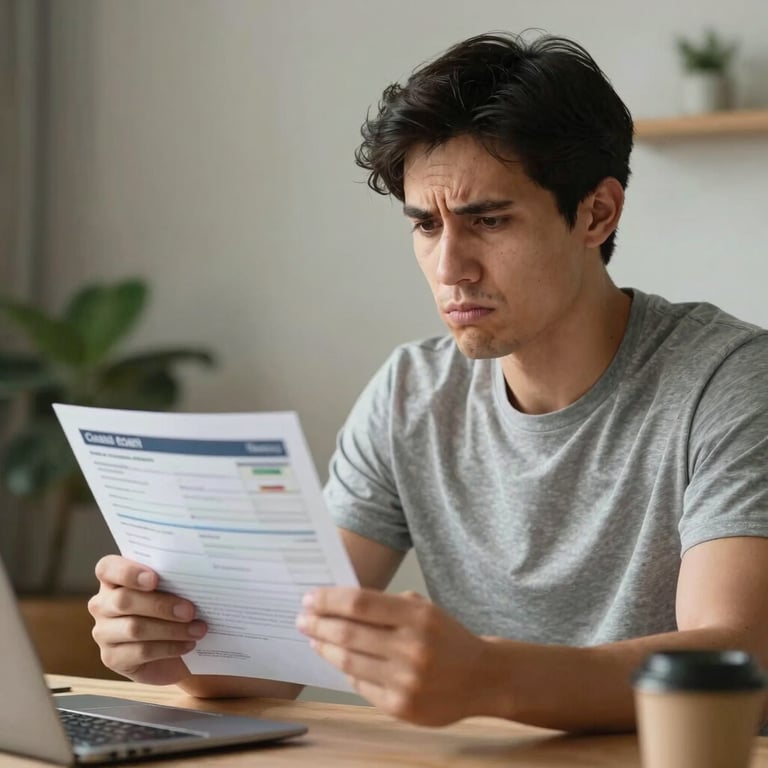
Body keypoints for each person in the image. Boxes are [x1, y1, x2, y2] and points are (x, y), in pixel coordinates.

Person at [88, 31, 768, 732]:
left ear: (597, 213)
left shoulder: (730, 380)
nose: (450, 269)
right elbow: (289, 648)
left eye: (489, 221)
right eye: (424, 225)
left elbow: (740, 656)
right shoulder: (411, 391)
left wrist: (488, 677)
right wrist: (173, 646)